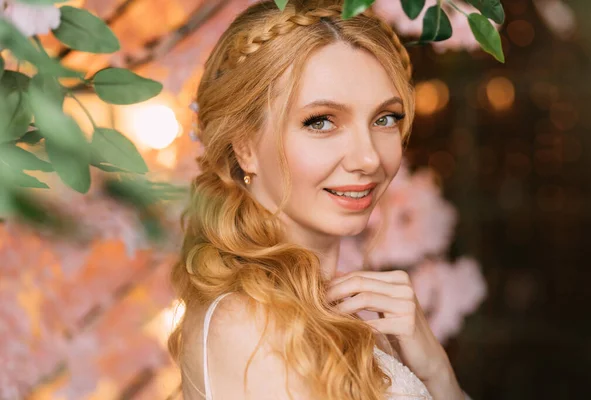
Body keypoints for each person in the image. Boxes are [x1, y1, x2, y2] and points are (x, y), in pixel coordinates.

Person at [169, 0, 471, 398]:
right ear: (244, 147)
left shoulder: (323, 309)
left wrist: (437, 373)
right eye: (322, 121)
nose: (368, 158)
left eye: (385, 119)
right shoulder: (247, 323)